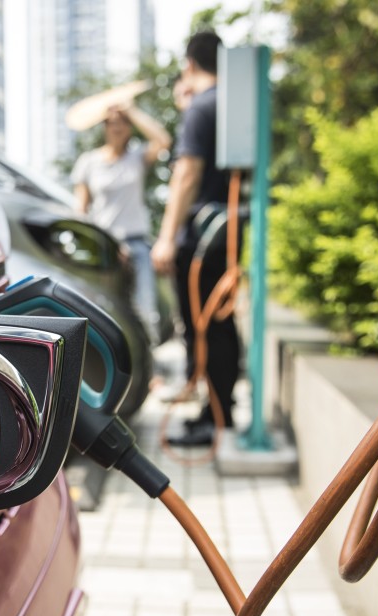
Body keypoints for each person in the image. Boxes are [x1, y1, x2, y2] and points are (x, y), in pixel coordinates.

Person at [151, 30, 238, 447]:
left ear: (189, 64)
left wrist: (166, 237)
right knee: (220, 323)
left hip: (200, 237)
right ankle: (218, 412)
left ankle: (214, 420)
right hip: (226, 232)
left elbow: (187, 173)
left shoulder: (201, 107)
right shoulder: (227, 104)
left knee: (203, 328)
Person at [71, 101, 171, 342]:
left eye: (122, 122)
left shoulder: (136, 157)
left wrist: (132, 110)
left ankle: (150, 372)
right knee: (106, 311)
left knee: (145, 310)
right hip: (105, 246)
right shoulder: (89, 162)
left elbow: (163, 140)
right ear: (104, 126)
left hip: (136, 244)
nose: (116, 127)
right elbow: (80, 214)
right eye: (111, 122)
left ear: (129, 126)